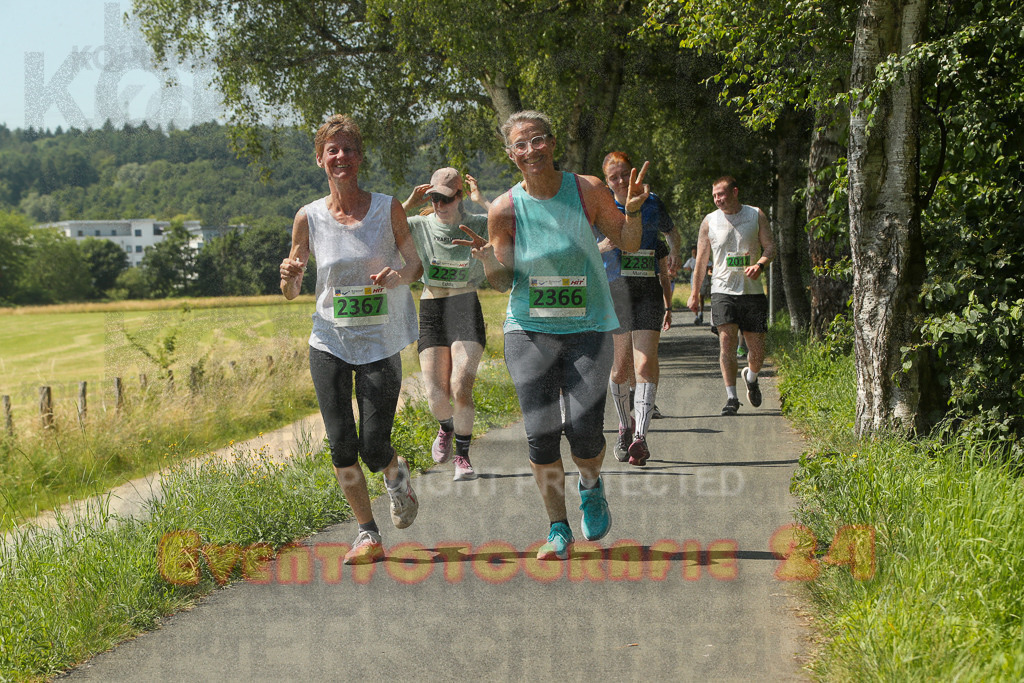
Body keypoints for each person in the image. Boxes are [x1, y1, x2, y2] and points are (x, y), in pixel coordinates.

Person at [459, 110, 644, 561]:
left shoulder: (588, 191)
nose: (530, 151)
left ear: (552, 143)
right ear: (511, 155)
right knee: (540, 435)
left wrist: (632, 213)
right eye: (520, 145)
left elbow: (629, 243)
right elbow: (504, 281)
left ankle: (591, 485)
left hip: (589, 326)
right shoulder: (504, 208)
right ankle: (557, 529)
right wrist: (488, 261)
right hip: (529, 328)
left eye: (537, 140)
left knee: (584, 434)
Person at [279, 114, 423, 565]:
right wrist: (289, 276)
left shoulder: (387, 208)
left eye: (349, 149)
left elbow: (415, 263)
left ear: (360, 158)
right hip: (329, 341)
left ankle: (397, 479)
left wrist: (399, 274)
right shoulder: (310, 216)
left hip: (380, 341)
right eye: (332, 150)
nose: (341, 157)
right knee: (342, 444)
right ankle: (367, 534)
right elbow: (292, 288)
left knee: (375, 444)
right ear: (321, 159)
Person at [403, 168, 505, 481]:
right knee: (435, 393)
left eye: (445, 198)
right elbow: (378, 226)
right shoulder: (418, 225)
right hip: (432, 308)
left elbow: (513, 224)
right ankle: (446, 427)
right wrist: (408, 204)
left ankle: (462, 456)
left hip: (464, 307)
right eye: (433, 197)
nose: (438, 203)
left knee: (461, 384)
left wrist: (482, 203)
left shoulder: (477, 223)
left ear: (459, 197)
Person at [597, 151, 679, 467]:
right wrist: (605, 245)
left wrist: (675, 251)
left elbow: (671, 231)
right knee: (621, 368)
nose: (620, 182)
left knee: (645, 365)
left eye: (623, 175)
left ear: (634, 175)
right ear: (607, 182)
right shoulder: (601, 206)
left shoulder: (653, 202)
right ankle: (624, 426)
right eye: (613, 177)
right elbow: (584, 247)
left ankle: (640, 438)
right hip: (615, 292)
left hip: (647, 291)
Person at [688, 175, 775, 416]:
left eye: (722, 194)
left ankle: (752, 376)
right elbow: (701, 260)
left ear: (735, 192)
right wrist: (694, 293)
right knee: (726, 344)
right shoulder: (709, 221)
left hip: (752, 291)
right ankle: (731, 398)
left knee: (756, 351)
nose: (718, 200)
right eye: (714, 196)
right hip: (722, 290)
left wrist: (760, 264)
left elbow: (770, 246)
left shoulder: (755, 214)